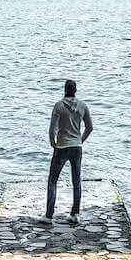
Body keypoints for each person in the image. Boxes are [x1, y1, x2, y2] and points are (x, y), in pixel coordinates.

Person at [39, 79, 92, 225]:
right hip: (77, 147)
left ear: (65, 89)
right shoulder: (82, 106)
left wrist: (53, 142)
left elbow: (53, 128)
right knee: (76, 180)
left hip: (62, 146)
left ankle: (49, 215)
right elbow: (89, 127)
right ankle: (75, 213)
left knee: (52, 180)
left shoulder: (59, 105)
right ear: (75, 90)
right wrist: (80, 140)